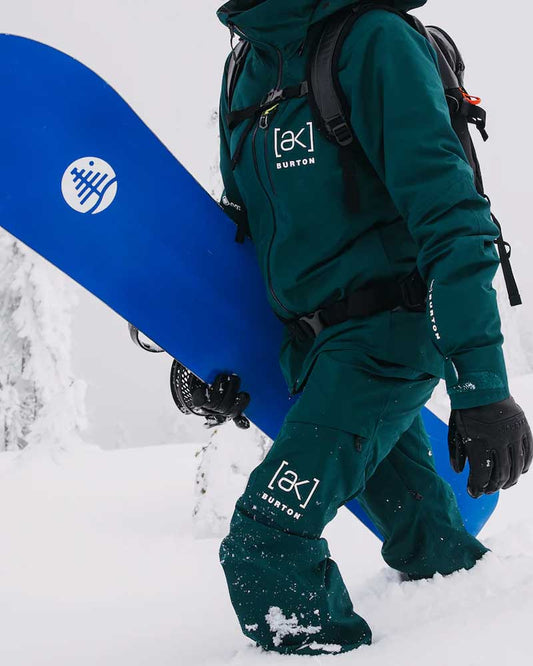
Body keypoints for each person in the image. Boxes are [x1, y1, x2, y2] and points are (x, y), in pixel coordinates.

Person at [200, 0, 533, 656]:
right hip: (315, 351)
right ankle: (478, 607)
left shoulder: (371, 41)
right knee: (422, 531)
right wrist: (202, 357)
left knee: (267, 543)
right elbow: (243, 232)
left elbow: (453, 220)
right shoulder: (246, 66)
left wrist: (481, 386)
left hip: (388, 337)